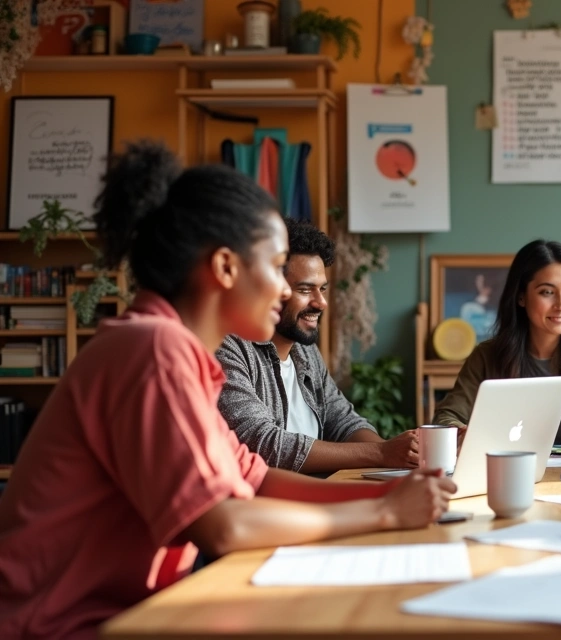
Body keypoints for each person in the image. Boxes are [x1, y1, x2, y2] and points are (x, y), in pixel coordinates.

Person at [0, 142, 455, 639]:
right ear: (224, 267)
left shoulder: (175, 351)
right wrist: (384, 511)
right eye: (277, 266)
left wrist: (393, 489)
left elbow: (257, 479)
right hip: (54, 626)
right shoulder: (153, 350)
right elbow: (224, 526)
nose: (286, 291)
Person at [216, 219, 419, 474]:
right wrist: (381, 453)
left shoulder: (304, 349)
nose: (321, 302)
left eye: (322, 288)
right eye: (305, 289)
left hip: (319, 498)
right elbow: (262, 443)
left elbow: (343, 420)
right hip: (273, 507)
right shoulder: (229, 349)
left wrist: (400, 458)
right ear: (269, 287)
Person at [432, 240, 561, 448]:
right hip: (511, 473)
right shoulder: (487, 356)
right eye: (547, 292)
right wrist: (464, 434)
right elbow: (446, 417)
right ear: (521, 297)